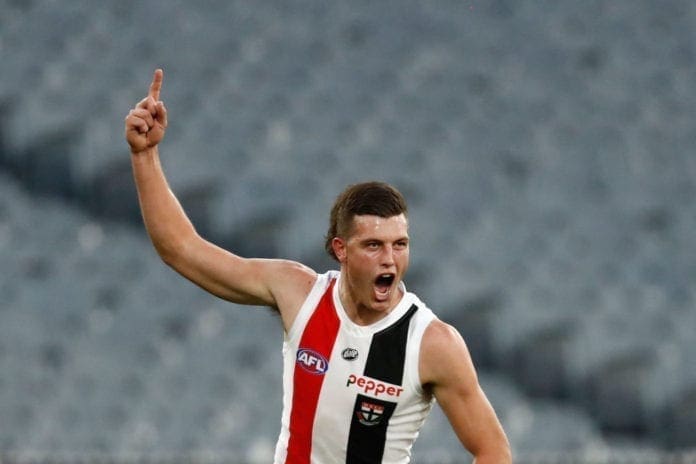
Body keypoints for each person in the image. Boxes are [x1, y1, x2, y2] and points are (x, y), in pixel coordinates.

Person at [125, 69, 511, 464]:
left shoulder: (432, 343)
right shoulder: (299, 293)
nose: (390, 259)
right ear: (340, 249)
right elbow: (182, 249)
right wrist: (144, 156)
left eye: (400, 245)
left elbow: (493, 450)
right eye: (374, 245)